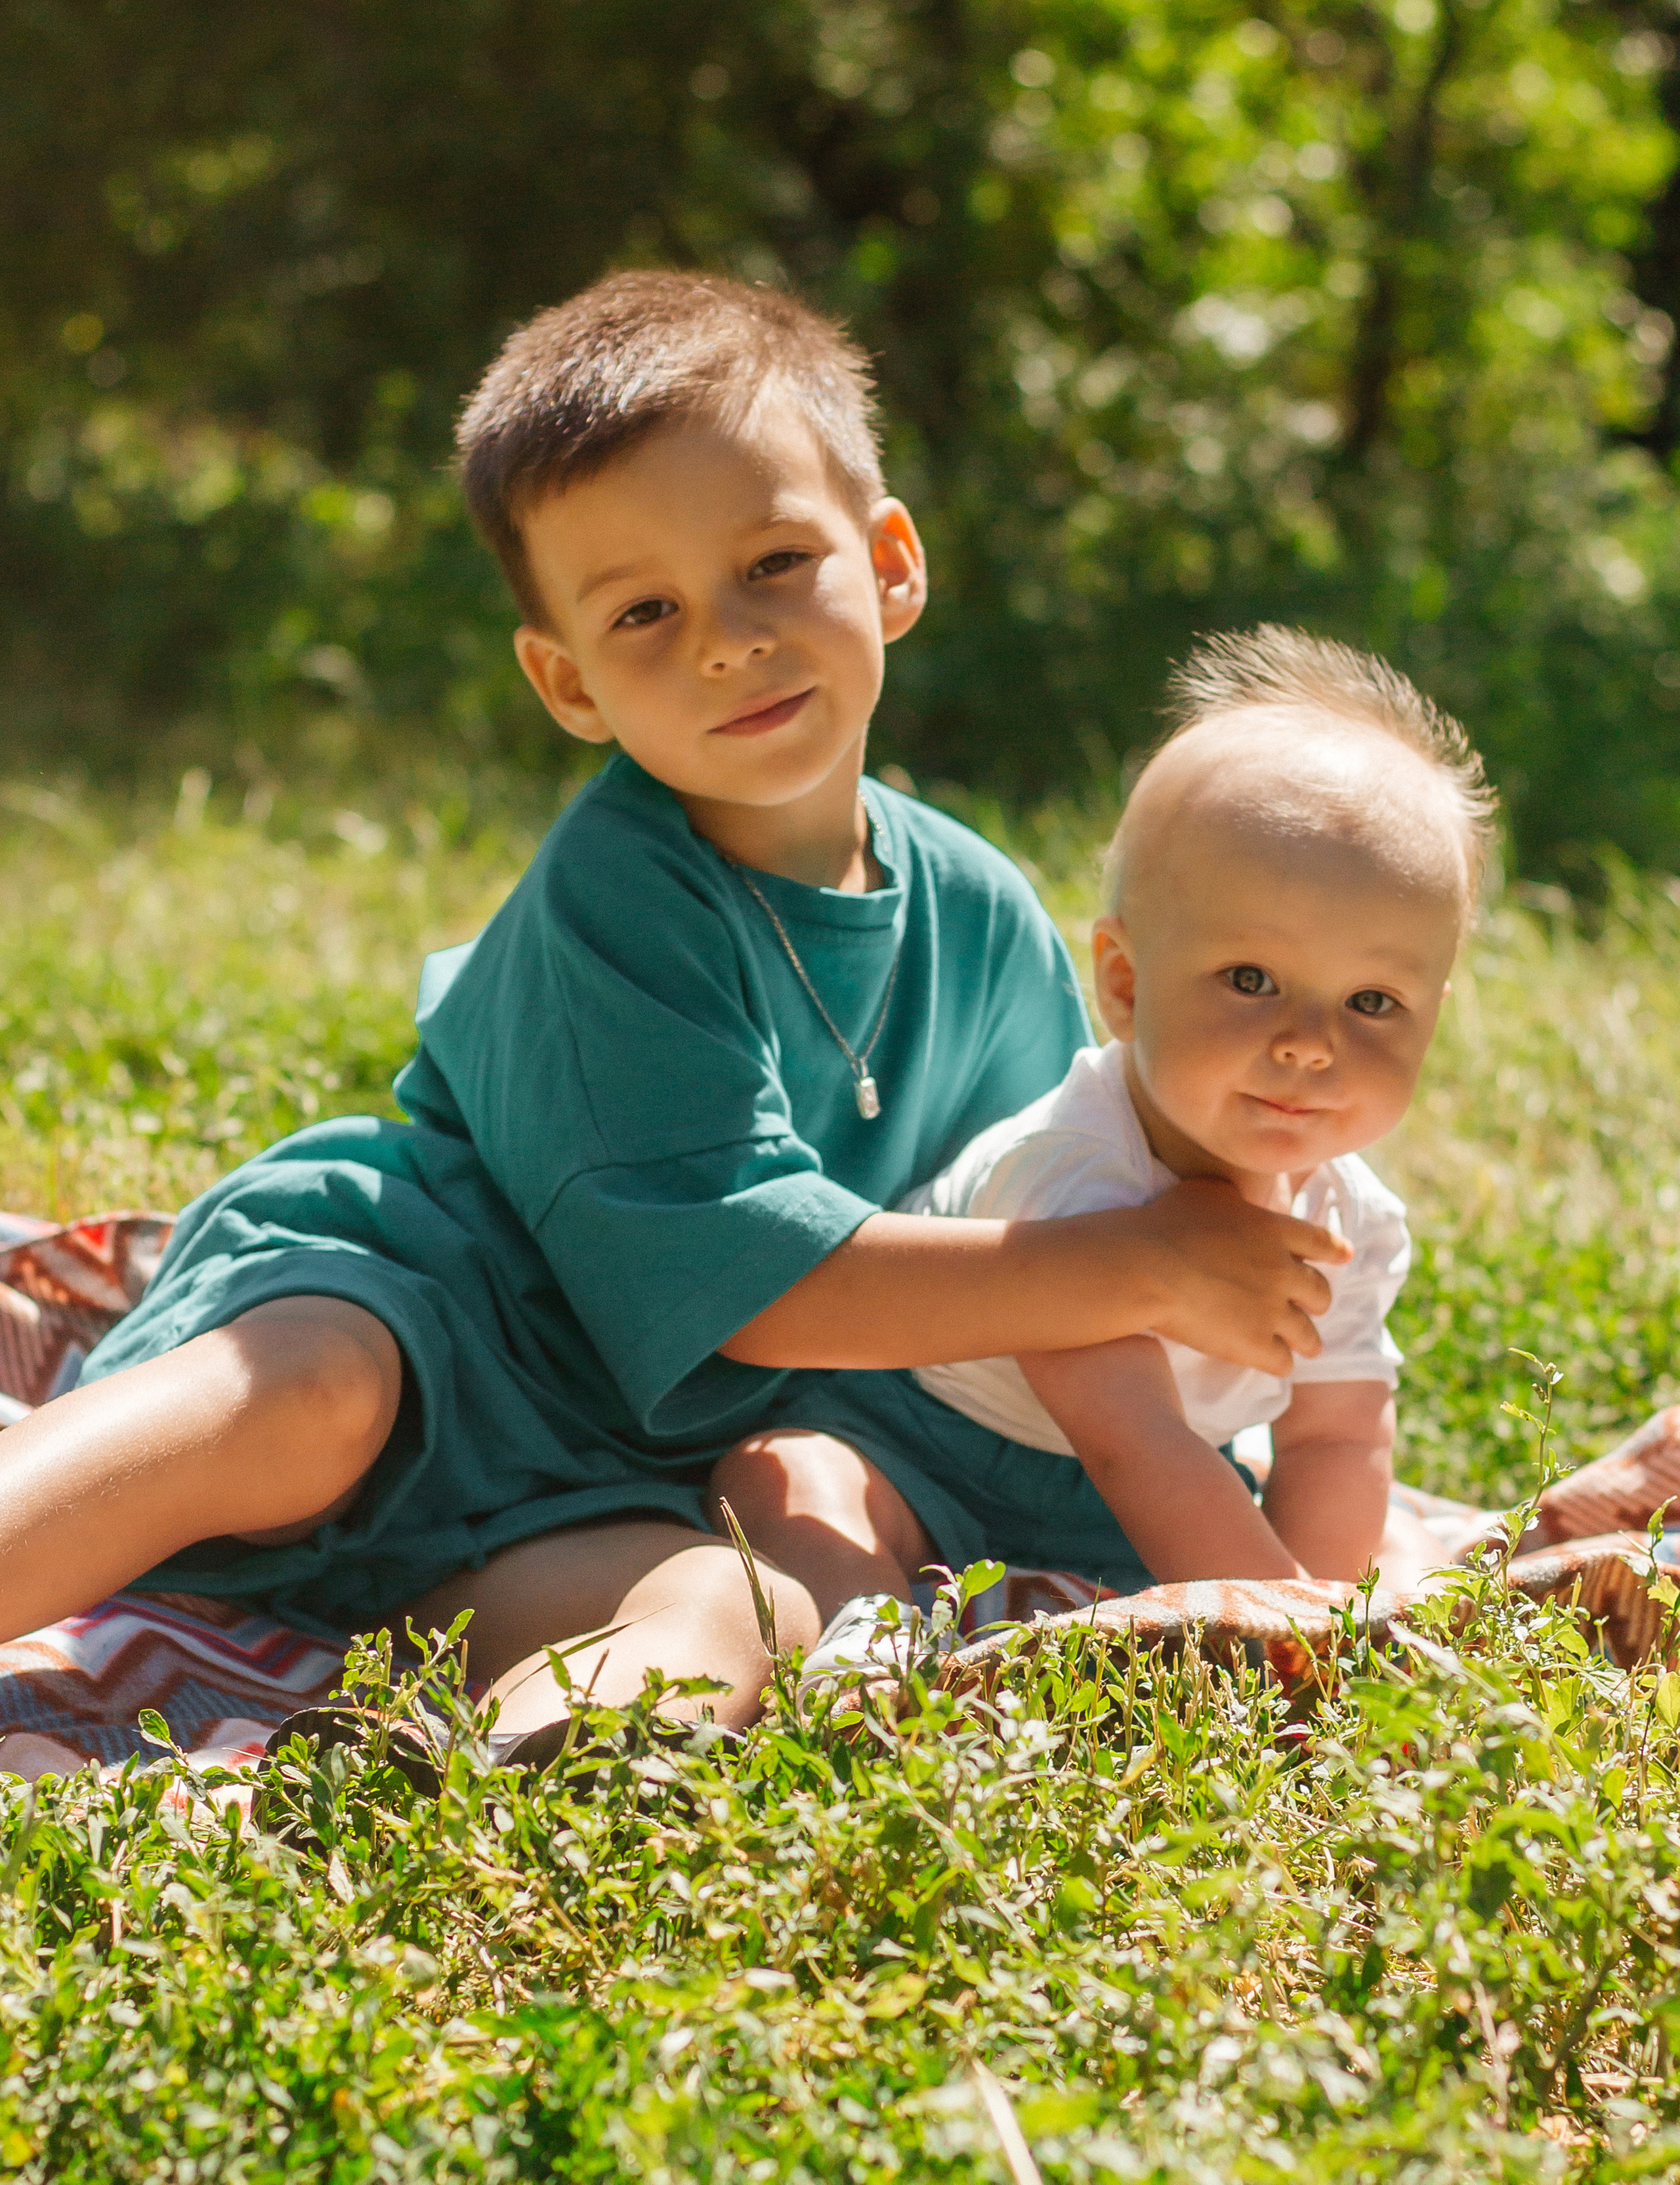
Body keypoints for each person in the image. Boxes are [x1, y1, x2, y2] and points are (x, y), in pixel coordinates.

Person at [1, 275, 1348, 1748]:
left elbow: (1025, 1238)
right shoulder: (622, 894)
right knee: (307, 1394)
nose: (725, 639)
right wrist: (1136, 1264)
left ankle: (538, 1785)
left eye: (774, 561)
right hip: (437, 1327)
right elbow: (779, 1281)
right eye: (645, 611)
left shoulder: (978, 913)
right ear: (566, 682)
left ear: (890, 562)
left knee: (736, 1608)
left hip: (623, 1473)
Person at [715, 627, 1494, 1618]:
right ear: (1125, 985)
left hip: (1154, 1501)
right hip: (927, 1450)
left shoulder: (1353, 1220)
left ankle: (1379, 1641)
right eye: (1251, 982)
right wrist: (1284, 1629)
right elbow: (1135, 1441)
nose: (1309, 1044)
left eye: (1373, 1003)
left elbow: (1335, 1437)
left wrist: (1333, 1608)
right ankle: (872, 1666)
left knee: (1392, 1541)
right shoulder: (1073, 1167)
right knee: (786, 1479)